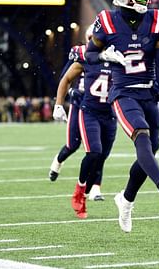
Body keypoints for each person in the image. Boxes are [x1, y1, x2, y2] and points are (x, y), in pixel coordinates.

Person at [85, 0, 159, 233]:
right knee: (141, 136)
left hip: (149, 93)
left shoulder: (157, 19)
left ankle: (126, 199)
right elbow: (89, 55)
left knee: (152, 147)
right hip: (123, 92)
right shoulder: (106, 20)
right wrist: (105, 55)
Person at [53, 41, 117, 219]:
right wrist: (59, 104)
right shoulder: (87, 56)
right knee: (94, 152)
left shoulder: (120, 57)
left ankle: (86, 189)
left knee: (101, 157)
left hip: (110, 114)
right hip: (89, 111)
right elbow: (66, 78)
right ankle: (79, 191)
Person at [50, 26, 105, 201]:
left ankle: (95, 187)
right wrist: (69, 95)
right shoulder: (80, 53)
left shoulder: (111, 55)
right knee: (73, 145)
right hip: (79, 104)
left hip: (99, 107)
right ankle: (57, 162)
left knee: (98, 150)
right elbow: (66, 77)